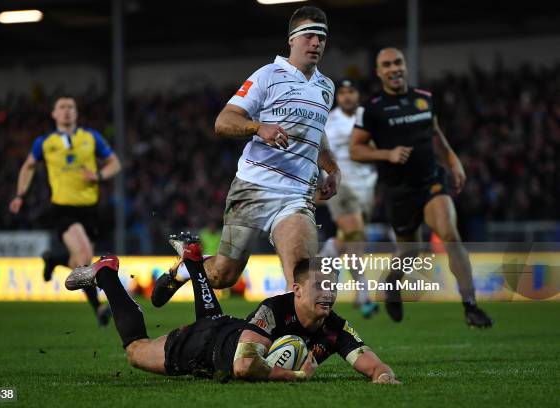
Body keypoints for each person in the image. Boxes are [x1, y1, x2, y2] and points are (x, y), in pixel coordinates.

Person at [152, 5, 341, 308]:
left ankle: (296, 349)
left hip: (296, 196)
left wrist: (332, 169)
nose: (316, 43)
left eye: (322, 37)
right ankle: (188, 267)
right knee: (225, 275)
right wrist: (258, 127)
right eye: (309, 36)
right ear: (291, 39)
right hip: (253, 187)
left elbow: (317, 135)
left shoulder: (326, 87)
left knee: (304, 279)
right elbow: (223, 121)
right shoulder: (267, 76)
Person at [64, 234, 400, 383]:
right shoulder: (274, 309)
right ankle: (107, 272)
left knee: (214, 318)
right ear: (296, 289)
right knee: (136, 351)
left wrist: (384, 376)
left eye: (332, 286)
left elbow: (372, 365)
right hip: (206, 348)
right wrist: (295, 376)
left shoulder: (334, 326)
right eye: (320, 287)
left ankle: (194, 262)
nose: (328, 294)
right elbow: (243, 367)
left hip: (226, 328)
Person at [349, 48, 492, 328]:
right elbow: (355, 149)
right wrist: (386, 154)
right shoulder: (372, 108)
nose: (393, 68)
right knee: (410, 252)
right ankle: (392, 283)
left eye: (398, 62)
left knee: (450, 234)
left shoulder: (424, 99)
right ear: (379, 72)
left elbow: (435, 134)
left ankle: (471, 305)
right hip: (399, 191)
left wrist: (453, 161)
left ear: (405, 66)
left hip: (431, 181)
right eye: (386, 65)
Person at [9, 95, 121, 326]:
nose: (67, 111)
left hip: (90, 210)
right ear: (54, 114)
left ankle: (54, 260)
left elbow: (114, 163)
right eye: (62, 107)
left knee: (82, 262)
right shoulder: (45, 142)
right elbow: (28, 167)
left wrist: (98, 175)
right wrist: (20, 195)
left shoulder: (90, 138)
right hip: (62, 210)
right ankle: (99, 308)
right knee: (83, 257)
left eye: (71, 106)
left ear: (76, 113)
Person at [319, 79, 379, 318]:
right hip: (341, 185)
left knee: (348, 239)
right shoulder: (329, 121)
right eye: (342, 92)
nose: (345, 96)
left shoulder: (369, 117)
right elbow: (321, 151)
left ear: (358, 95)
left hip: (367, 187)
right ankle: (364, 294)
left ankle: (318, 262)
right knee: (355, 233)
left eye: (350, 91)